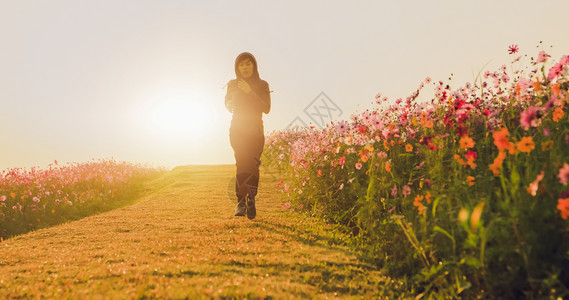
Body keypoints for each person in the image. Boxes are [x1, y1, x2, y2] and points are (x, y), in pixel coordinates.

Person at [225, 52, 271, 219]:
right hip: (237, 130)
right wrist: (228, 105)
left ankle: (251, 198)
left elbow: (266, 108)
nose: (244, 67)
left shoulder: (262, 85)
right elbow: (227, 102)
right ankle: (241, 202)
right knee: (241, 165)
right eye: (241, 65)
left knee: (253, 166)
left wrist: (250, 91)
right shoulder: (232, 84)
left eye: (248, 64)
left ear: (254, 66)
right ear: (237, 67)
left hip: (255, 132)